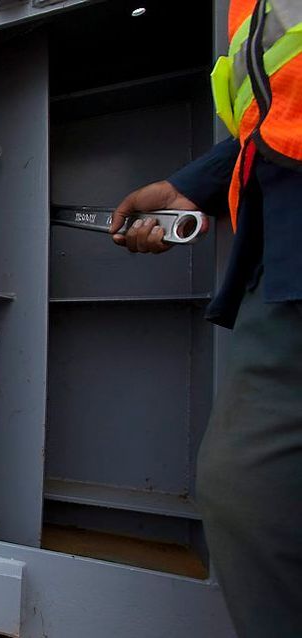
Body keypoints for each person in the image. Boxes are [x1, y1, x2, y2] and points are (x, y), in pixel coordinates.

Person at [109, 2, 301, 635]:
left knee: (252, 486)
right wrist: (200, 183)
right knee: (251, 490)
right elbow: (275, 107)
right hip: (279, 242)